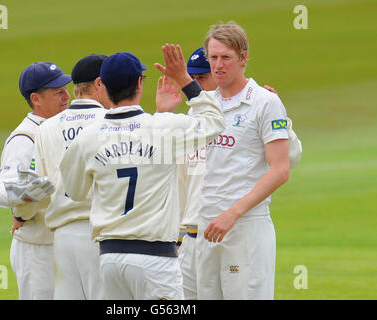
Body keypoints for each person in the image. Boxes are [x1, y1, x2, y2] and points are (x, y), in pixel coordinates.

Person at [59, 47, 226, 300]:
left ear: (102, 85)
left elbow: (75, 192)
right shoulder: (164, 128)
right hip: (155, 260)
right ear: (139, 83)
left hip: (110, 259)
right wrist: (184, 79)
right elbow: (214, 120)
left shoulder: (87, 138)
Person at [163, 46, 302, 300]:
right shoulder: (194, 116)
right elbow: (171, 179)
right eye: (190, 80)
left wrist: (281, 123)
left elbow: (287, 161)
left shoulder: (258, 106)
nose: (195, 86)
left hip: (235, 228)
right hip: (191, 237)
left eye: (201, 79)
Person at [193, 22, 293, 300]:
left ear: (243, 58)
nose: (218, 65)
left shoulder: (265, 102)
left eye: (226, 57)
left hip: (246, 226)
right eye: (213, 57)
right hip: (207, 225)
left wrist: (233, 212)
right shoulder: (204, 105)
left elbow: (281, 169)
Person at [32, 54, 110, 299]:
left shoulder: (46, 128)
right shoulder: (111, 122)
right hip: (102, 234)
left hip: (63, 238)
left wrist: (21, 216)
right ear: (100, 84)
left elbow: (37, 189)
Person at [0, 61, 72, 299]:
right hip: (37, 250)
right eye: (58, 92)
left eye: (66, 89)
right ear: (36, 99)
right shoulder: (24, 139)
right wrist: (26, 202)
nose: (67, 96)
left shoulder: (63, 128)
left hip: (65, 245)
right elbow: (1, 191)